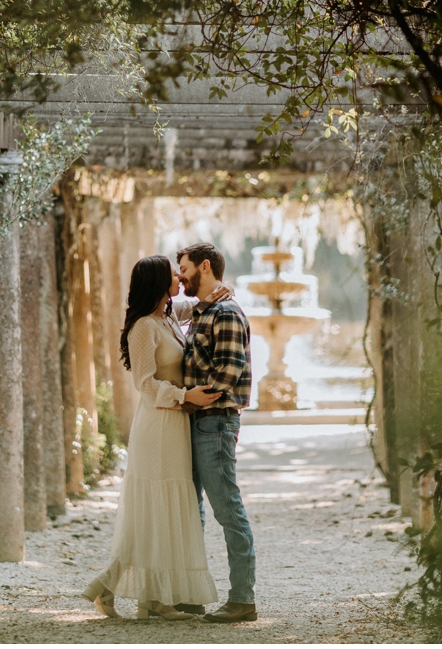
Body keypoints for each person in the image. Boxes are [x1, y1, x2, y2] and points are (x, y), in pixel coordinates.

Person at [81, 255, 225, 620]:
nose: (180, 278)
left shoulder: (167, 317)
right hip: (157, 424)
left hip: (175, 425)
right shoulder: (144, 327)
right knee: (153, 511)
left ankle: (149, 599)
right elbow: (143, 383)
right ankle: (119, 589)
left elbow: (196, 303)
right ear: (160, 283)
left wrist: (219, 292)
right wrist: (184, 396)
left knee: (163, 512)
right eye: (173, 275)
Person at [176, 242, 258, 623]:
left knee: (227, 509)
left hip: (214, 421)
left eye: (184, 269)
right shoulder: (204, 310)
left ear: (204, 267)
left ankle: (242, 599)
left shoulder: (225, 312)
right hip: (194, 419)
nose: (180, 277)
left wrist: (188, 400)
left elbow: (227, 375)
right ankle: (193, 594)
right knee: (192, 512)